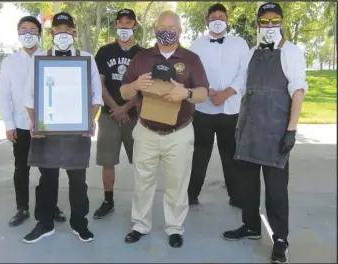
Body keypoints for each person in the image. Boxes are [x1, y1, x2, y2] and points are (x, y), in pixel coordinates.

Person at [222, 3, 308, 263]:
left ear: (281, 22)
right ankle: (250, 226)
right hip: (249, 129)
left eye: (275, 20)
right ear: (258, 23)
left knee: (276, 191)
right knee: (247, 186)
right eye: (265, 21)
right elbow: (242, 82)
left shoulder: (291, 52)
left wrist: (291, 129)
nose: (270, 25)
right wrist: (223, 95)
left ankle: (281, 238)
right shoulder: (250, 53)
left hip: (276, 132)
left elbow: (298, 92)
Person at [120, 11, 209, 248]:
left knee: (177, 184)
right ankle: (140, 224)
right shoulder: (141, 57)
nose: (167, 31)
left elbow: (203, 93)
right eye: (162, 26)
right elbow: (124, 92)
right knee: (142, 181)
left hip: (179, 133)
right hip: (146, 131)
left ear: (179, 31)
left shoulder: (191, 59)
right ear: (155, 29)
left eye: (172, 27)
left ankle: (174, 228)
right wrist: (136, 85)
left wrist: (187, 93)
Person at [22, 12, 102, 243]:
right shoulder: (40, 57)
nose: (63, 33)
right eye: (59, 29)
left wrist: (90, 120)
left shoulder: (85, 57)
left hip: (77, 131)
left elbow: (96, 95)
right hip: (47, 131)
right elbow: (29, 97)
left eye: (68, 29)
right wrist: (35, 123)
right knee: (47, 179)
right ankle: (44, 223)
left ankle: (80, 223)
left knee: (78, 181)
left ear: (74, 32)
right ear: (52, 32)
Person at [0, 16, 66, 227]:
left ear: (39, 34)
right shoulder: (9, 62)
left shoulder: (49, 56)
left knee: (49, 170)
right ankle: (22, 208)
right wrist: (8, 125)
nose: (28, 34)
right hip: (20, 125)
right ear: (18, 34)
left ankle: (50, 206)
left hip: (47, 124)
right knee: (21, 169)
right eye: (23, 30)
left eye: (32, 30)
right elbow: (4, 95)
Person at [187, 3, 249, 208]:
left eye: (221, 17)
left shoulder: (240, 44)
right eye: (213, 17)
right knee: (200, 153)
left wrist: (227, 93)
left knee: (230, 154)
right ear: (207, 21)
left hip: (230, 110)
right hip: (203, 109)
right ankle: (191, 194)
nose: (217, 20)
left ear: (227, 19)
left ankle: (237, 195)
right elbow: (192, 73)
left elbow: (245, 73)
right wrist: (208, 90)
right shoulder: (197, 45)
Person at [93, 9, 144, 219]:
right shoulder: (104, 51)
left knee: (142, 163)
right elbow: (99, 84)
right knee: (108, 161)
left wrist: (126, 108)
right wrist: (115, 107)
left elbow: (144, 87)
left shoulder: (143, 53)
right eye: (121, 23)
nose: (124, 27)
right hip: (109, 115)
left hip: (134, 117)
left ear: (135, 25)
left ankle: (141, 204)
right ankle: (108, 200)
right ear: (116, 25)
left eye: (128, 23)